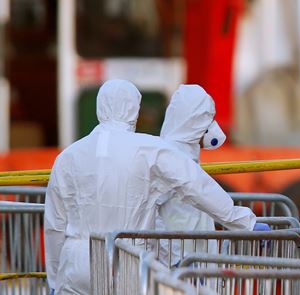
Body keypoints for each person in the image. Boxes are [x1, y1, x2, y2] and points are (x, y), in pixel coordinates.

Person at [44, 79, 267, 294]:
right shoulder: (149, 149)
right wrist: (244, 222)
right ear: (134, 110)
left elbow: (55, 225)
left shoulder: (68, 156)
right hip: (127, 260)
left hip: (76, 262)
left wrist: (54, 278)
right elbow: (197, 186)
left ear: (99, 107)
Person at [155, 84, 230, 265]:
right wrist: (175, 260)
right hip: (177, 267)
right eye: (208, 120)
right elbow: (151, 216)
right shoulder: (168, 158)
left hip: (192, 262)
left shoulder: (181, 155)